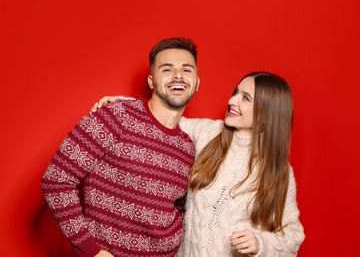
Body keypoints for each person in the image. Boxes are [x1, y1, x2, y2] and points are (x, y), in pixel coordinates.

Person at [92, 72, 305, 256]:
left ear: (267, 114)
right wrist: (122, 105)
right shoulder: (208, 133)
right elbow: (163, 119)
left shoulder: (278, 171)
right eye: (236, 93)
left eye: (246, 98)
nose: (232, 101)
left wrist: (260, 244)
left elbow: (293, 236)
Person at [40, 37, 200, 257]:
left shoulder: (187, 146)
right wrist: (90, 249)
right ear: (152, 81)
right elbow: (56, 179)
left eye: (186, 69)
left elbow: (178, 207)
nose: (178, 75)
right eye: (167, 69)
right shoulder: (115, 115)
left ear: (197, 82)